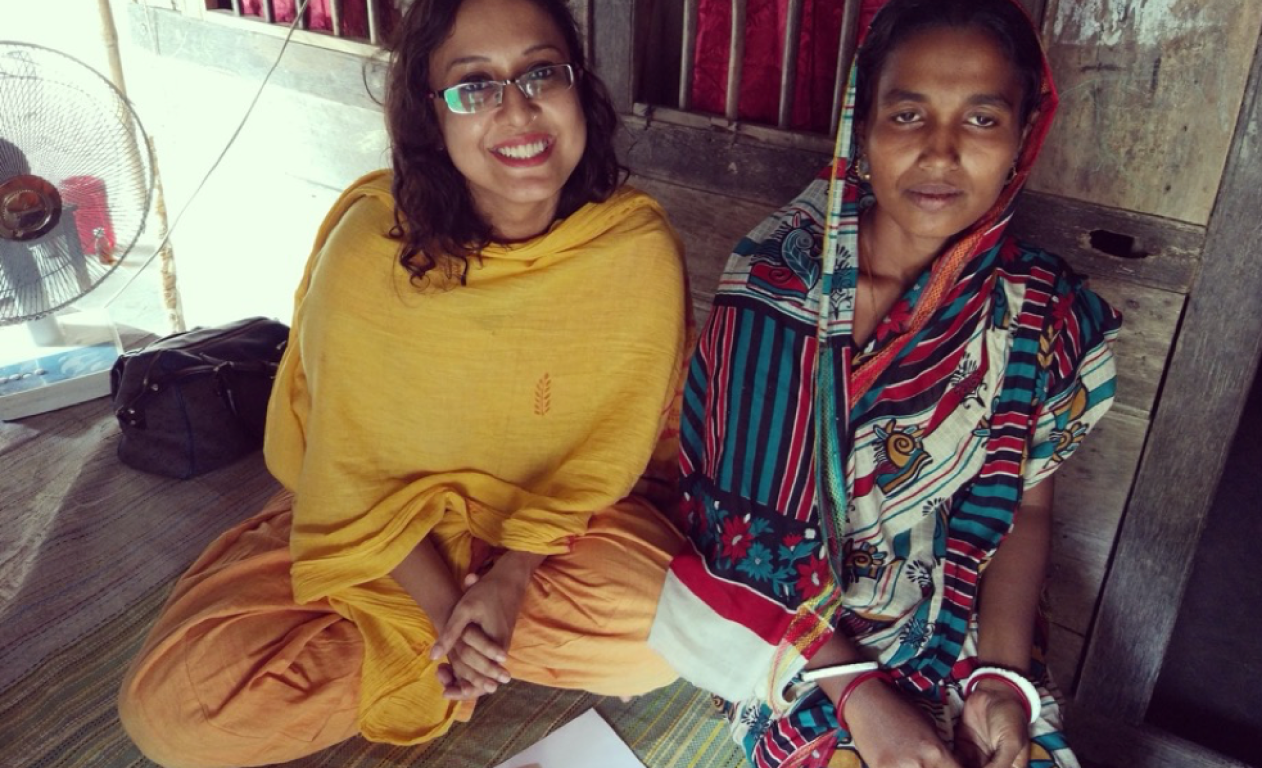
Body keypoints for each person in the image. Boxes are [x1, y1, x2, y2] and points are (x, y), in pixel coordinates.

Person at [117, 0, 689, 764]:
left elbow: (607, 460)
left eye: (540, 73)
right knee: (177, 712)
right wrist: (453, 609)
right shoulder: (371, 252)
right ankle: (461, 652)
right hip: (381, 539)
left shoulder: (631, 246)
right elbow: (347, 474)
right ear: (431, 116)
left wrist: (511, 576)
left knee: (670, 636)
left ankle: (452, 651)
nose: (517, 111)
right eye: (473, 86)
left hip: (549, 536)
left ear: (578, 87)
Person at [647, 0, 1121, 767]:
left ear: (1022, 139)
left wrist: (1001, 683)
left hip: (960, 634)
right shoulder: (778, 292)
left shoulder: (1035, 313)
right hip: (795, 642)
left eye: (981, 120)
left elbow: (1025, 509)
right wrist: (864, 700)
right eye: (908, 115)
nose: (941, 154)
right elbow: (741, 545)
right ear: (860, 131)